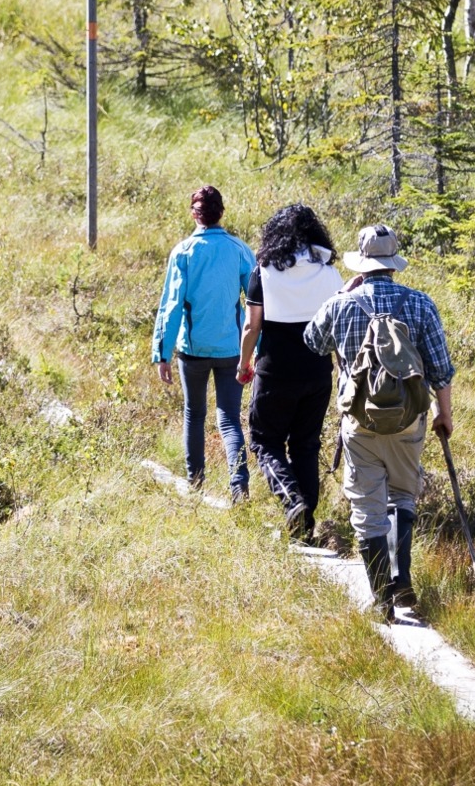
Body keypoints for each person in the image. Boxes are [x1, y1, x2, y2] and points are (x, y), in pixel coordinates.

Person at [304, 223, 454, 617]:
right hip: (409, 422)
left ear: (362, 263)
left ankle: (381, 598)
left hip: (359, 421)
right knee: (402, 496)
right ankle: (401, 580)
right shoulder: (419, 304)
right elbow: (441, 368)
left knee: (367, 509)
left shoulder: (342, 303)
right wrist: (444, 414)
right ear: (392, 263)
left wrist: (341, 296)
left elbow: (312, 341)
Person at [236, 204, 344, 543]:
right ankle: (304, 524)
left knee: (265, 441)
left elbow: (252, 327)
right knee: (305, 445)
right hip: (318, 370)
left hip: (276, 369)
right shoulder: (329, 273)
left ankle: (292, 500)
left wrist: (244, 364)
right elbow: (340, 325)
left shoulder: (264, 272)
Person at [151, 185, 257, 497]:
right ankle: (239, 486)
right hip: (232, 350)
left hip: (193, 351)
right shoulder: (239, 250)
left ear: (195, 215)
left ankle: (194, 484)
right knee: (229, 420)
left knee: (194, 414)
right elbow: (256, 304)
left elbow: (171, 306)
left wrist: (162, 353)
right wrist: (255, 352)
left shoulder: (183, 252)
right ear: (221, 212)